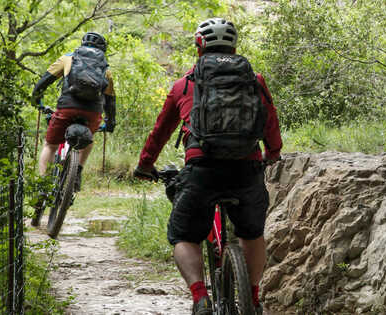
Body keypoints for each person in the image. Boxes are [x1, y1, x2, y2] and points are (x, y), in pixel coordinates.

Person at [134, 18, 282, 315]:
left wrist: (145, 165)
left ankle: (200, 297)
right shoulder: (254, 79)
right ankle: (252, 297)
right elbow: (269, 120)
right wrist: (272, 153)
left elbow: (160, 131)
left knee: (184, 235)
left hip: (202, 168)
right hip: (247, 167)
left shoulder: (184, 84)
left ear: (198, 47)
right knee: (252, 233)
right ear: (234, 47)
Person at [31, 31, 116, 193]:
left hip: (67, 107)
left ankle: (43, 185)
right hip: (92, 112)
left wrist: (37, 100)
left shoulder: (67, 58)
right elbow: (111, 102)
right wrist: (110, 123)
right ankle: (76, 173)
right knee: (88, 141)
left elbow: (43, 82)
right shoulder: (105, 68)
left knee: (50, 145)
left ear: (82, 44)